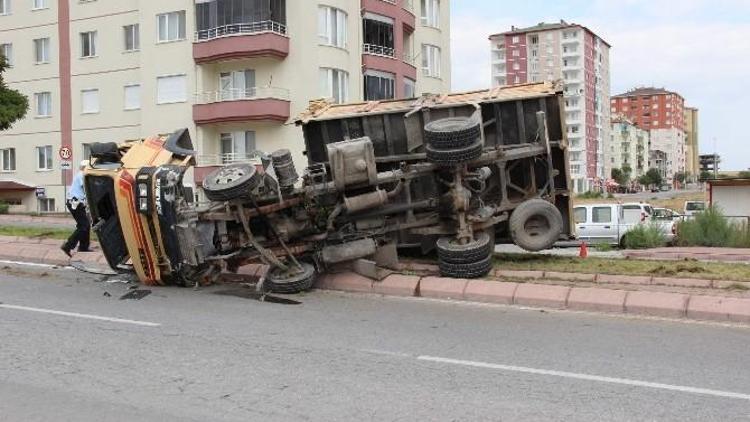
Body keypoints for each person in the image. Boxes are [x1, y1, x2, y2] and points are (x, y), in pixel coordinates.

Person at [61, 160, 92, 257]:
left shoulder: (79, 174)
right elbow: (86, 188)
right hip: (75, 203)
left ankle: (83, 247)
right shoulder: (82, 175)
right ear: (86, 168)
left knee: (85, 224)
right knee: (84, 225)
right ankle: (68, 246)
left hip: (75, 202)